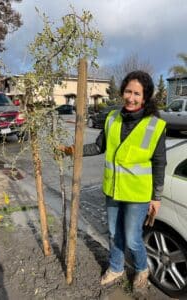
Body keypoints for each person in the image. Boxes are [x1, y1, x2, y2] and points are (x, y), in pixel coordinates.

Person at [62, 70, 166, 293]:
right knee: (113, 233)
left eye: (137, 93)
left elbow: (159, 163)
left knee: (132, 239)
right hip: (112, 189)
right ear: (122, 92)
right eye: (128, 91)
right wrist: (73, 150)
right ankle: (116, 267)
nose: (131, 97)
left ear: (145, 96)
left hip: (137, 194)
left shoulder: (155, 125)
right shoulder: (112, 119)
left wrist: (156, 197)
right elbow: (99, 147)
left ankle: (141, 269)